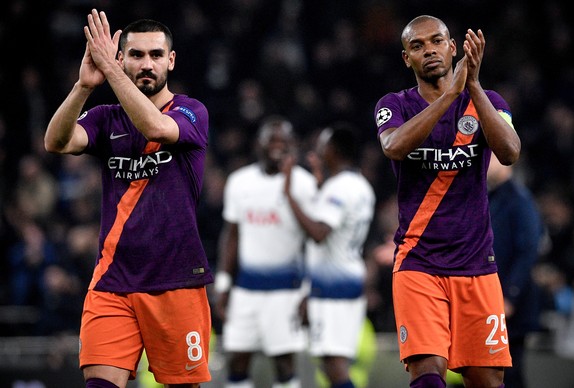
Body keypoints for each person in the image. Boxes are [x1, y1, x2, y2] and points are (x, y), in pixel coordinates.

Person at [44, 9, 213, 388]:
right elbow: (55, 142)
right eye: (135, 55)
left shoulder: (192, 111)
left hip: (176, 281)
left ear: (171, 60)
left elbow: (154, 126)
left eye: (155, 54)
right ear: (121, 58)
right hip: (112, 281)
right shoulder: (105, 118)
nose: (146, 64)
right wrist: (84, 86)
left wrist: (113, 71)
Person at [373, 15, 521, 388]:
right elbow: (393, 146)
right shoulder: (394, 104)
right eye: (418, 46)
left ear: (453, 48)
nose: (429, 51)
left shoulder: (490, 102)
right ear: (407, 58)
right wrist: (451, 95)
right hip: (419, 262)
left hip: (477, 264)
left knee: (487, 379)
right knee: (428, 372)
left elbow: (510, 152)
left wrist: (472, 87)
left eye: (437, 41)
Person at [214, 115, 318, 388]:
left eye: (283, 141)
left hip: (287, 291)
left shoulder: (304, 184)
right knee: (237, 359)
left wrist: (309, 290)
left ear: (293, 145)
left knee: (284, 363)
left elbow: (314, 242)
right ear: (257, 144)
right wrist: (224, 282)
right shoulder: (239, 181)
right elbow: (232, 235)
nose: (277, 146)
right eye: (271, 140)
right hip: (245, 290)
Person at [283, 122, 376, 388]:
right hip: (346, 277)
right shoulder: (359, 185)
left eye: (322, 145)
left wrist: (290, 196)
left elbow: (319, 232)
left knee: (334, 363)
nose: (318, 150)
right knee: (330, 361)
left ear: (334, 150)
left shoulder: (340, 188)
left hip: (333, 287)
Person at [487, 153, 544, 388]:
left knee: (509, 372)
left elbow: (529, 249)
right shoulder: (490, 197)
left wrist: (510, 294)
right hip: (490, 299)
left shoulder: (519, 199)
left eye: (489, 156)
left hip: (510, 304)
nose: (483, 160)